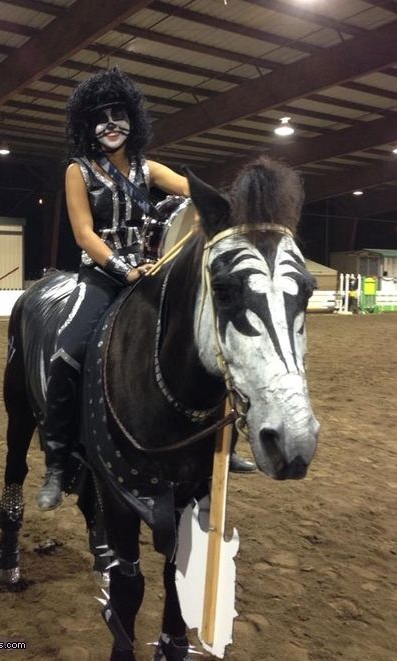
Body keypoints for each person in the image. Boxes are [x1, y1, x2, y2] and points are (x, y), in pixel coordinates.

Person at [37, 68, 253, 510]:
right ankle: (57, 460)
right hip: (102, 275)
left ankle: (224, 447)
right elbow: (83, 234)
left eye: (119, 114)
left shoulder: (147, 167)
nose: (112, 124)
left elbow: (190, 189)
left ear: (132, 119)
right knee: (67, 353)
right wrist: (122, 269)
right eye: (102, 117)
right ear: (87, 125)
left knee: (202, 347)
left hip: (150, 271)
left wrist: (227, 204)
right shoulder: (77, 172)